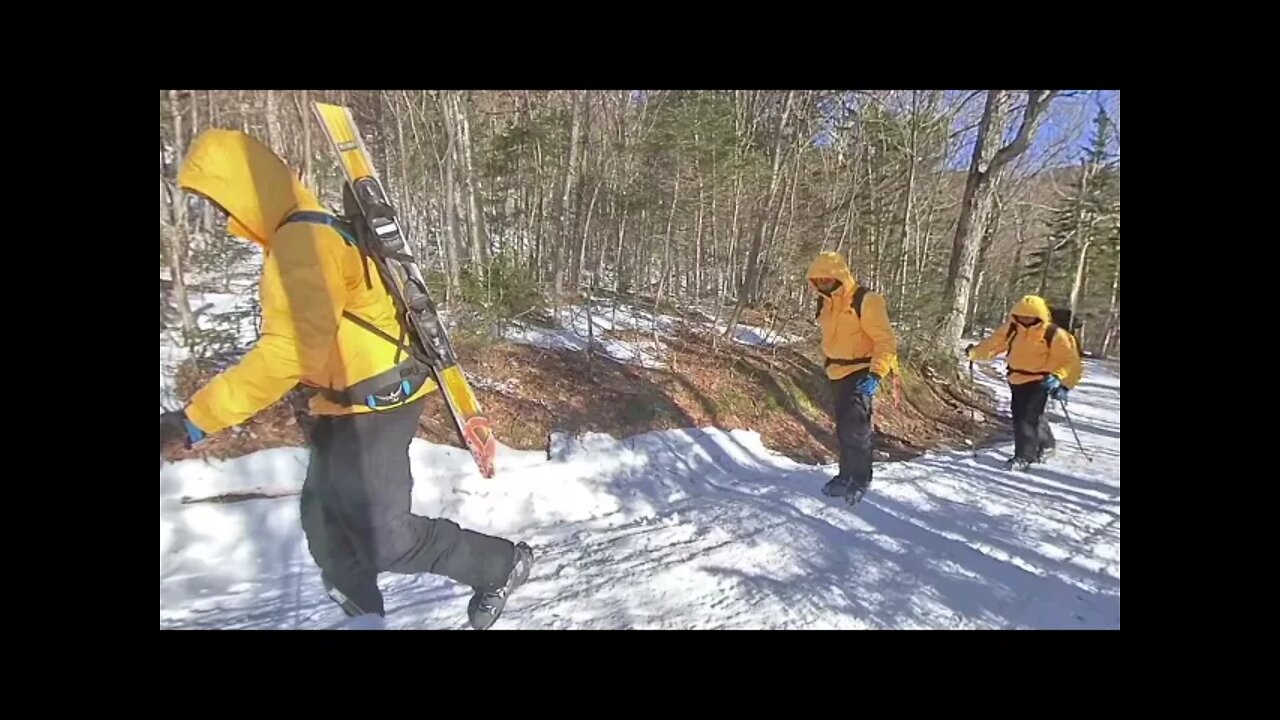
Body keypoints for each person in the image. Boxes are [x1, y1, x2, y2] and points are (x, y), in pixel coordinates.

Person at [158, 129, 533, 630]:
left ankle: (502, 565)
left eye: (219, 203)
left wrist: (195, 419)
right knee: (325, 527)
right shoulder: (306, 232)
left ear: (244, 190)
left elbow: (287, 353)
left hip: (377, 405)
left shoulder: (303, 241)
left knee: (386, 540)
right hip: (340, 405)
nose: (223, 219)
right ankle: (364, 618)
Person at [806, 251, 898, 505]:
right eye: (818, 281)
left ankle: (860, 478)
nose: (823, 284)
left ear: (839, 276)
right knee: (843, 429)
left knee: (857, 430)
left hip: (862, 371)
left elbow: (886, 341)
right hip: (836, 372)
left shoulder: (866, 300)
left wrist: (877, 373)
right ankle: (845, 474)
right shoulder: (825, 302)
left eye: (827, 279)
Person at [967, 294, 1083, 470]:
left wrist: (1060, 379)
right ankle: (1047, 444)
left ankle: (1024, 457)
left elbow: (1071, 361)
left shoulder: (1055, 334)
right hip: (1016, 378)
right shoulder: (1013, 328)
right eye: (1021, 315)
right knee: (1030, 415)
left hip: (1041, 380)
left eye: (1029, 316)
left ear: (1039, 315)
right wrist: (975, 352)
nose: (1025, 319)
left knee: (1024, 418)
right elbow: (994, 344)